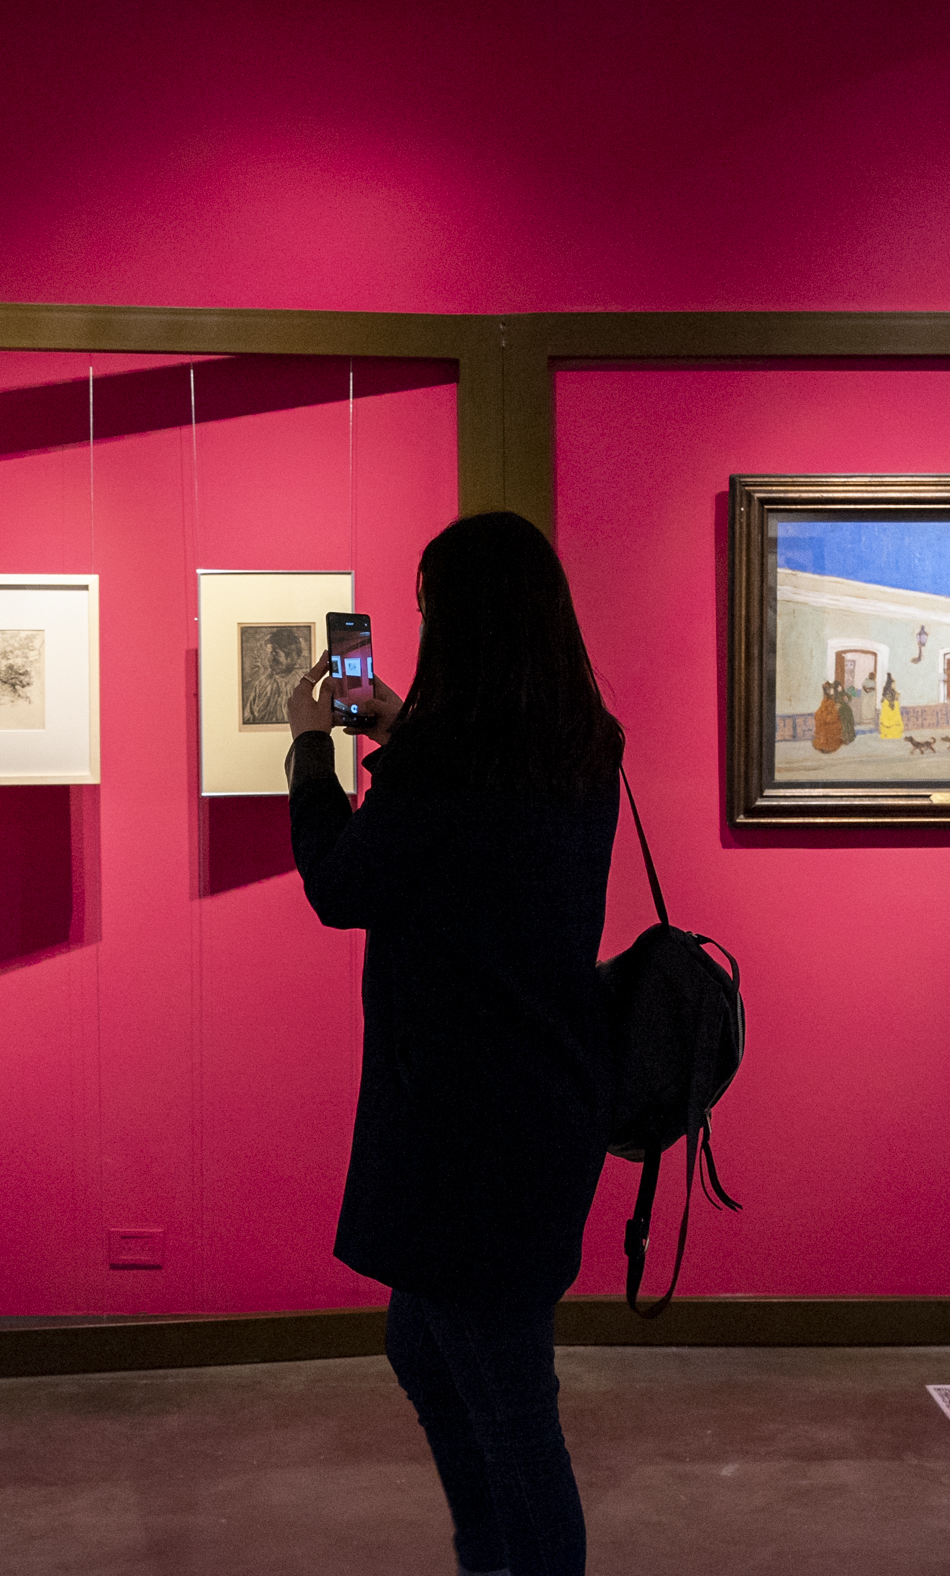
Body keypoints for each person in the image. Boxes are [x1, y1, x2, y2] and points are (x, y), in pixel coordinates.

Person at [284, 511, 622, 1576]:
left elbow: (344, 888)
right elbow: (480, 852)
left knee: (512, 1409)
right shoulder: (582, 742)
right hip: (544, 1110)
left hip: (456, 1129)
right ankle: (490, 1558)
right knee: (430, 1351)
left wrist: (308, 750)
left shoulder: (442, 764)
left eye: (429, 603)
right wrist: (402, 731)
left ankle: (505, 1558)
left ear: (457, 620)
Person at [812, 681, 842, 752]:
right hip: (826, 714)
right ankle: (825, 745)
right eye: (826, 689)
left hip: (830, 713)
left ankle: (829, 745)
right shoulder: (826, 700)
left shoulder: (831, 699)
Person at [878, 673, 903, 740]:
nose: (894, 685)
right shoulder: (888, 692)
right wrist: (896, 698)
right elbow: (889, 700)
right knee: (889, 722)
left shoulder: (892, 691)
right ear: (891, 684)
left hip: (892, 709)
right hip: (889, 709)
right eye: (893, 684)